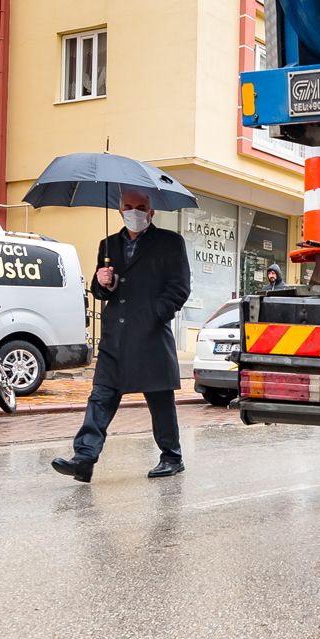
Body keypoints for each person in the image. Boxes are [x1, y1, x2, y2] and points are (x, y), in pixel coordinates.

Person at [52, 189, 192, 482]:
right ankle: (84, 458)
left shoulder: (170, 242)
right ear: (119, 211)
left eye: (141, 207)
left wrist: (155, 313)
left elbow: (179, 288)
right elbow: (102, 290)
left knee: (159, 400)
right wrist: (102, 283)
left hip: (151, 335)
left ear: (152, 212)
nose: (135, 212)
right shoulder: (108, 244)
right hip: (116, 337)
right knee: (100, 397)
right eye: (129, 207)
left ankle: (172, 456)